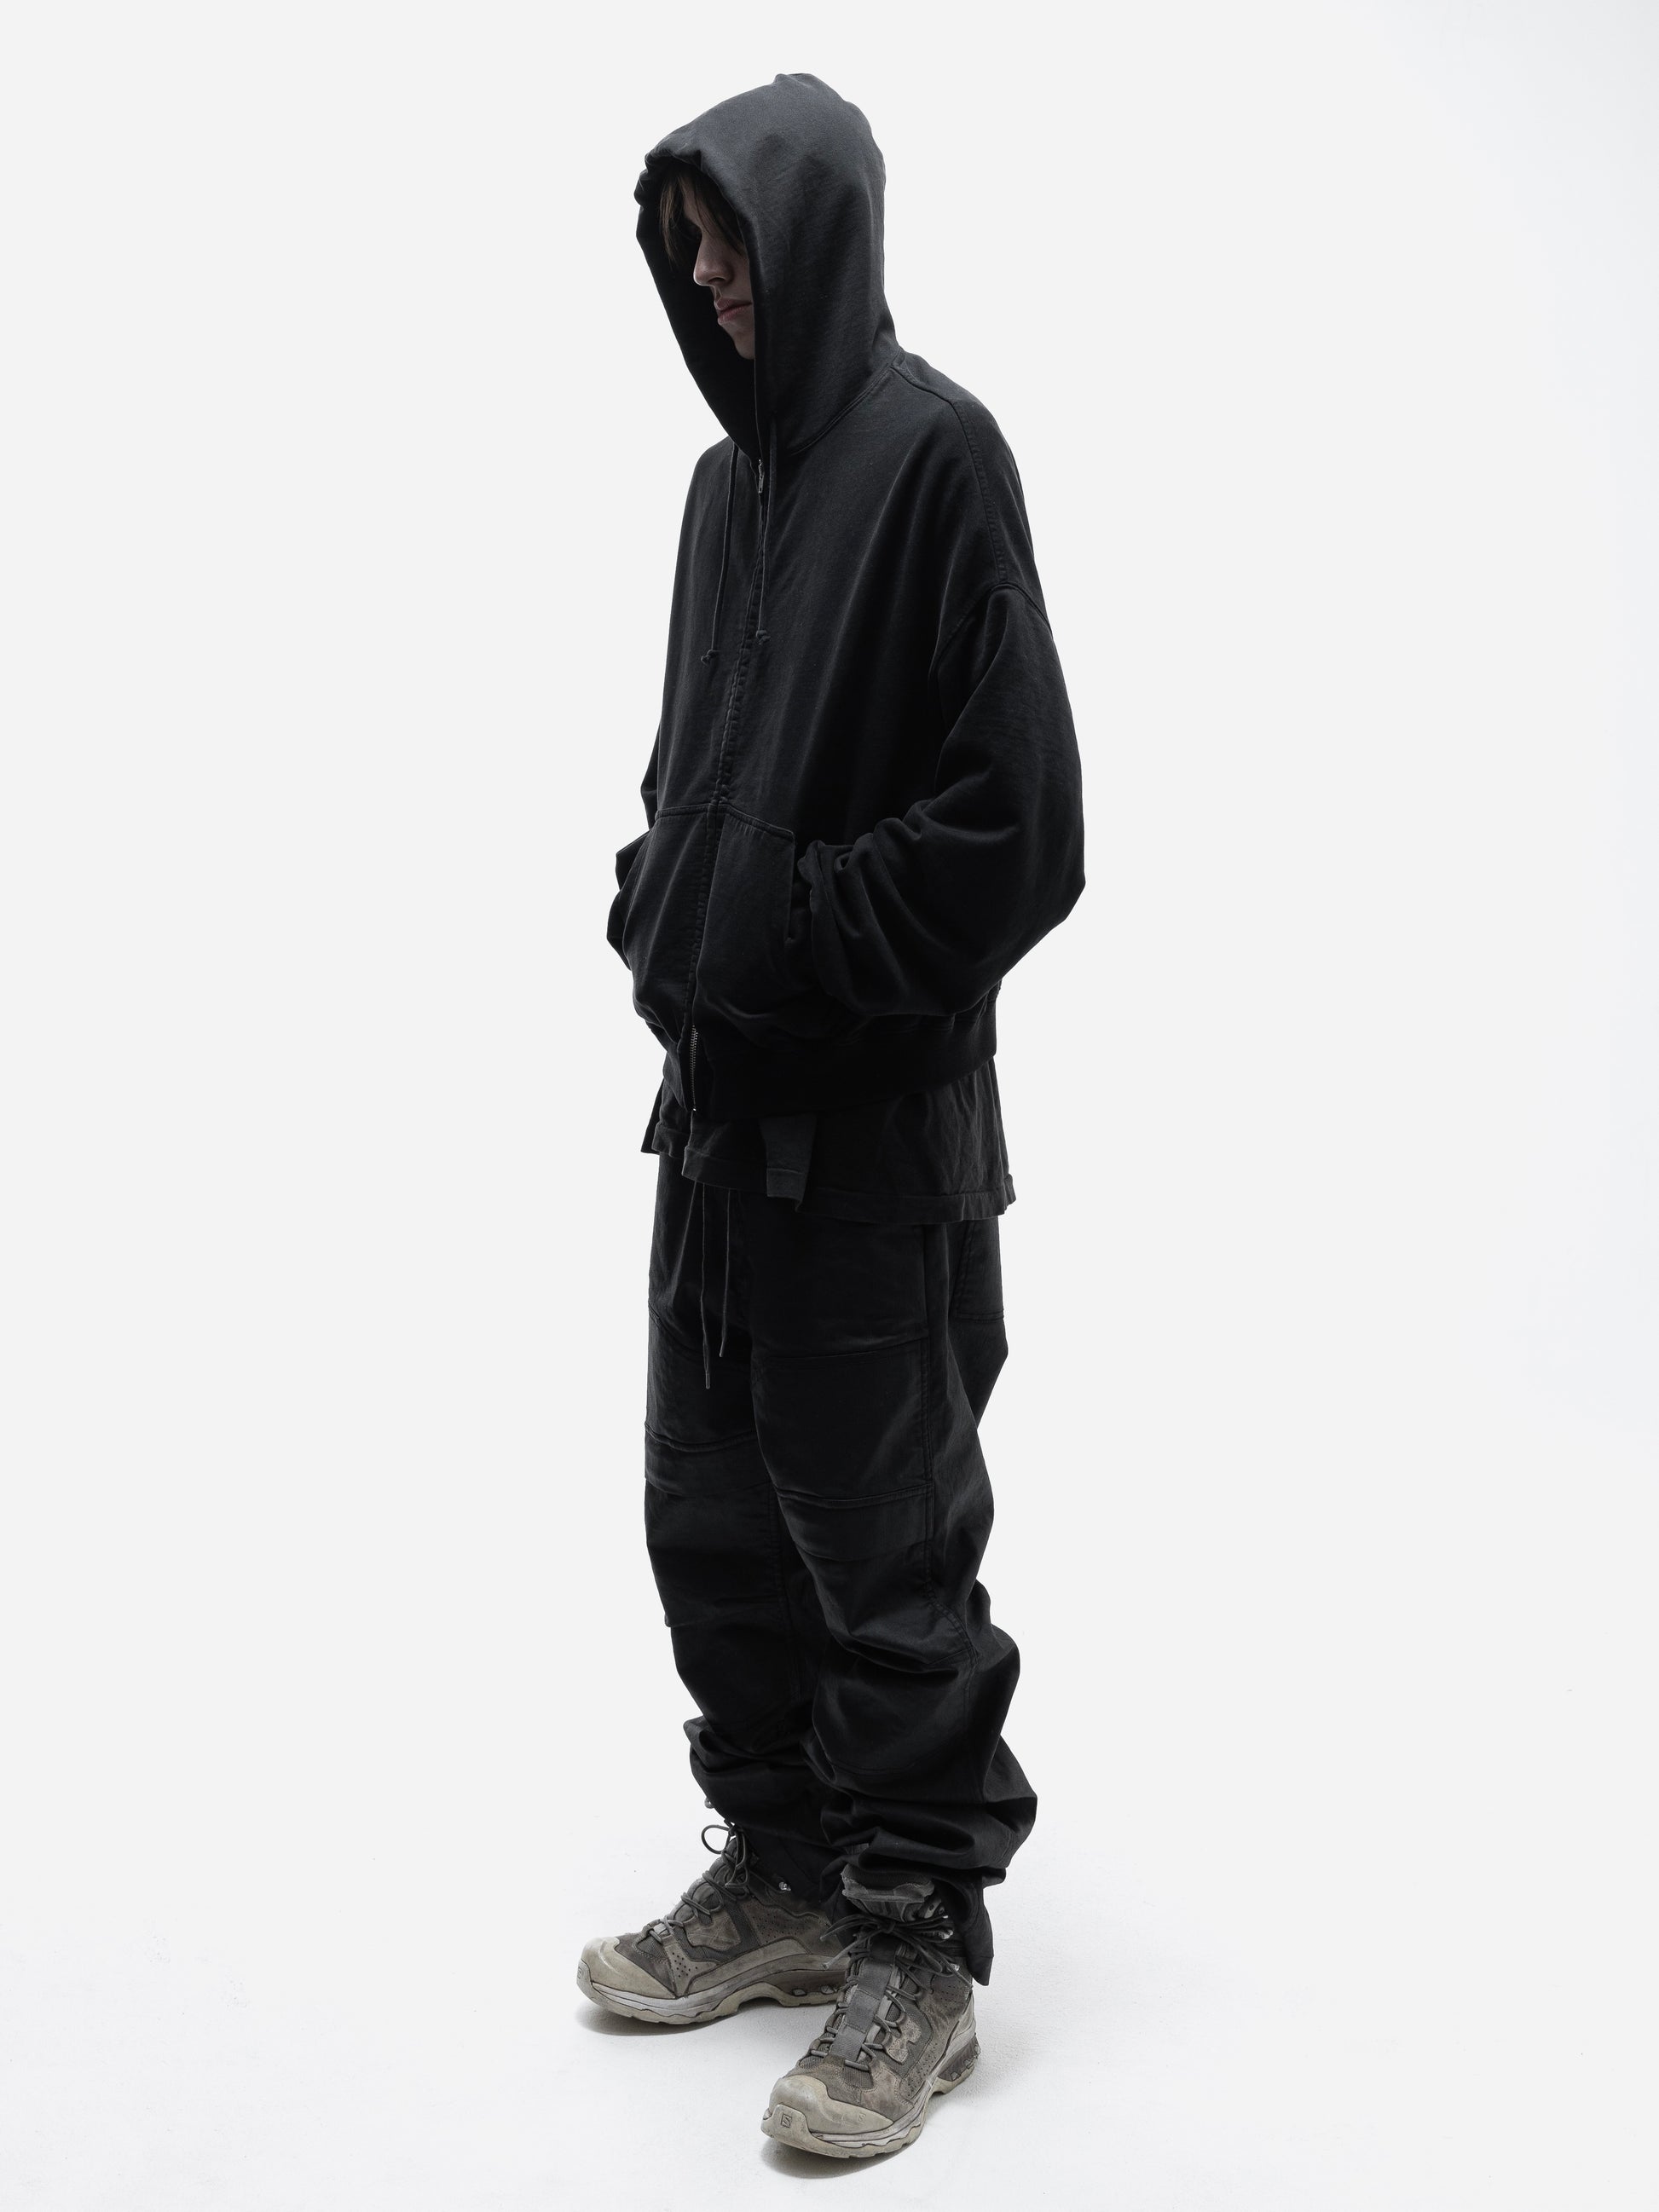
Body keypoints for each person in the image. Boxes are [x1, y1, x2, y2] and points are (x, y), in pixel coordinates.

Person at [581, 72, 1086, 2160]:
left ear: (817, 233)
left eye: (731, 237)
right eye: (685, 243)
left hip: (872, 1130)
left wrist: (789, 927)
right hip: (709, 1115)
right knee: (708, 1513)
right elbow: (691, 775)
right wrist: (659, 900)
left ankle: (915, 1939)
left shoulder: (938, 457)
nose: (708, 274)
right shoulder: (724, 491)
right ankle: (785, 1866)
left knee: (885, 1551)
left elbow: (1021, 830)